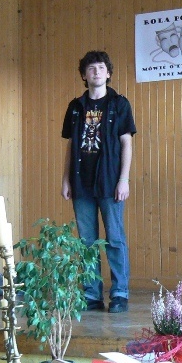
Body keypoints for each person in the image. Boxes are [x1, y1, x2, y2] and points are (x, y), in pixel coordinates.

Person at [61, 50, 136, 313]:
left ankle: (119, 293)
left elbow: (126, 143)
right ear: (84, 75)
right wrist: (65, 179)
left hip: (110, 181)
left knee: (114, 238)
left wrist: (124, 179)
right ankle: (91, 295)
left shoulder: (119, 104)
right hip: (81, 181)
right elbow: (71, 145)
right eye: (91, 68)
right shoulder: (75, 107)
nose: (96, 72)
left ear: (108, 73)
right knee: (86, 241)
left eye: (101, 68)